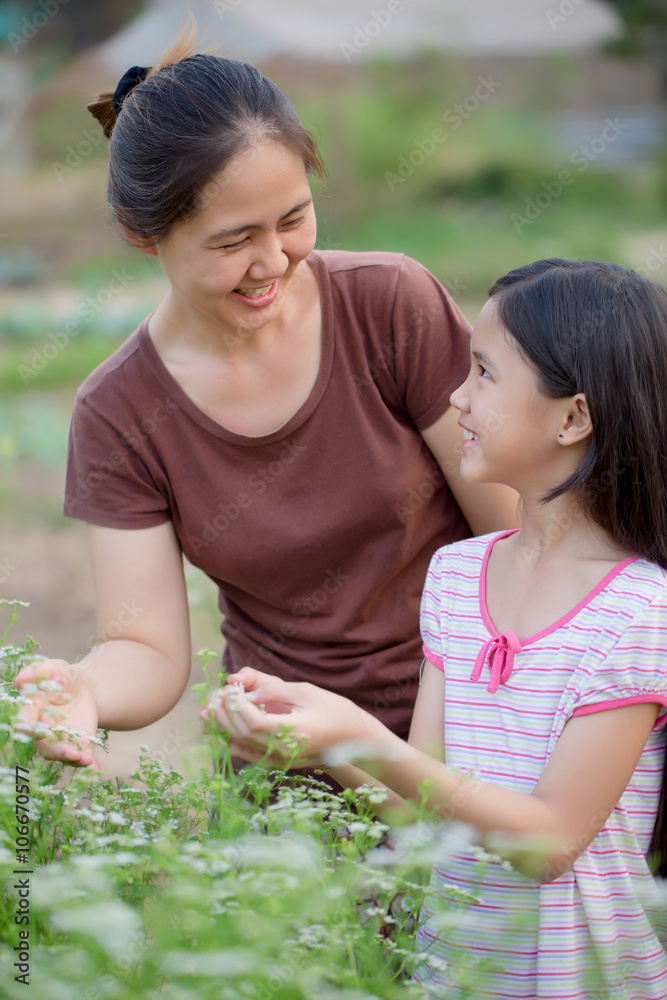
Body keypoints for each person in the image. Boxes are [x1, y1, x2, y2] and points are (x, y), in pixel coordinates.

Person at [13, 24, 517, 768]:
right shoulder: (119, 412)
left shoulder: (389, 306)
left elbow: (509, 539)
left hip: (473, 727)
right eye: (232, 241)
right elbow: (144, 646)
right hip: (288, 760)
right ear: (141, 233)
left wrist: (437, 744)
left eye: (292, 219)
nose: (272, 261)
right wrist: (84, 690)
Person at [210, 258, 667, 999]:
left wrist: (356, 730)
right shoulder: (457, 577)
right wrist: (316, 733)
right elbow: (414, 810)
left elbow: (547, 841)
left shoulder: (639, 613)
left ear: (573, 417)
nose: (455, 397)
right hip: (453, 976)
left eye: (484, 374)